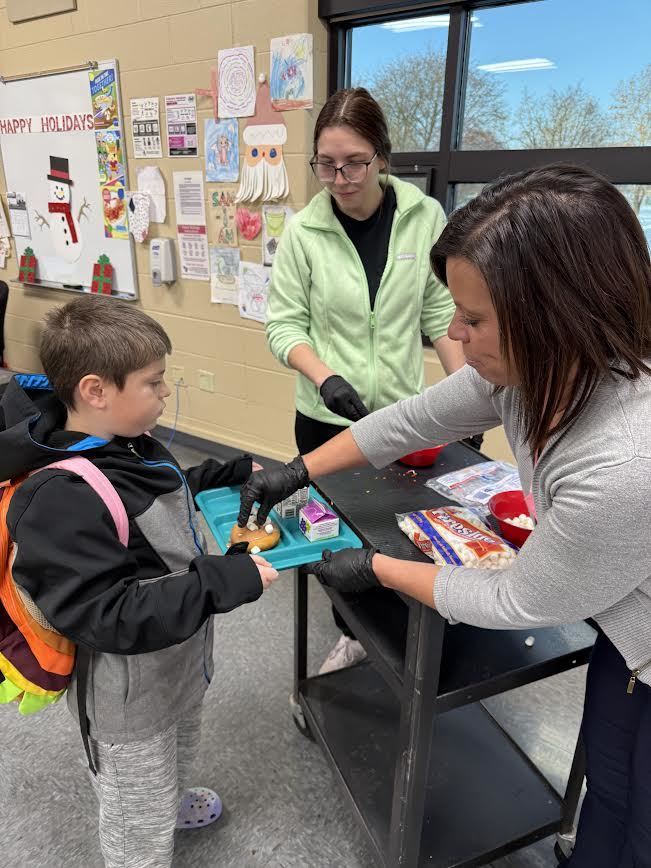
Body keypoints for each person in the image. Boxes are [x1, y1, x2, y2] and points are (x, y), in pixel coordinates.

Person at [240, 164, 651, 868]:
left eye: (474, 319)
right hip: (631, 628)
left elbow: (516, 598)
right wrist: (299, 469)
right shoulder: (532, 374)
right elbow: (409, 420)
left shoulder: (622, 463)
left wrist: (377, 568)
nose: (454, 332)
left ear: (554, 317)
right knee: (610, 787)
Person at [0, 295, 279, 868]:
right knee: (136, 817)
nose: (165, 392)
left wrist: (223, 473)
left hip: (175, 657)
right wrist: (217, 582)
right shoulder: (59, 500)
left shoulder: (123, 442)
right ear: (96, 391)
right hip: (127, 698)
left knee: (181, 741)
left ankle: (168, 801)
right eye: (153, 382)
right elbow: (108, 614)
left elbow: (156, 487)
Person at [266, 87, 465, 672]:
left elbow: (439, 314)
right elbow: (283, 325)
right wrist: (324, 376)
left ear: (382, 156)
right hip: (326, 418)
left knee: (397, 532)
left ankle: (405, 639)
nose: (340, 178)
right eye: (326, 164)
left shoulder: (424, 218)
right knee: (338, 536)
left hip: (402, 417)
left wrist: (465, 398)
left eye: (354, 162)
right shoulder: (304, 231)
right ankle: (349, 634)